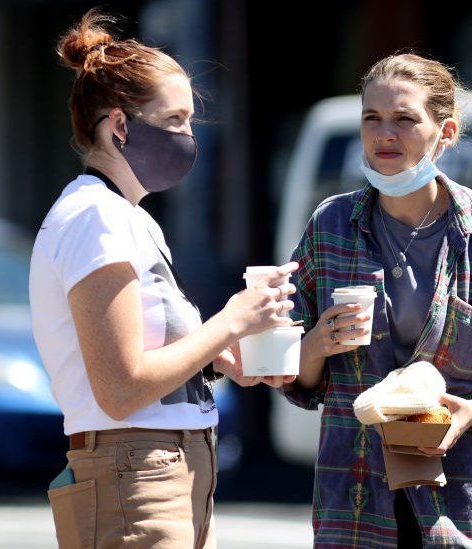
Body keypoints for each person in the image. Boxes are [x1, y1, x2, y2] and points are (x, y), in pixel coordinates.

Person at [30, 9, 298, 548]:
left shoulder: (125, 215)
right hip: (136, 472)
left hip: (164, 471)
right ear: (120, 124)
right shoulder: (95, 218)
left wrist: (228, 361)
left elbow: (149, 356)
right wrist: (230, 322)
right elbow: (122, 386)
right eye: (175, 120)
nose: (189, 136)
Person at [280, 53, 472, 547]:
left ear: (445, 131)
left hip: (468, 509)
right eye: (372, 118)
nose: (384, 133)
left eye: (404, 119)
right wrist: (318, 343)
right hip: (359, 506)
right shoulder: (331, 225)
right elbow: (297, 379)